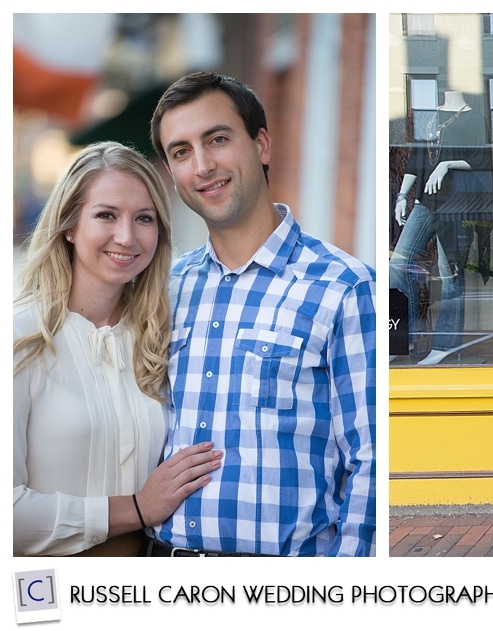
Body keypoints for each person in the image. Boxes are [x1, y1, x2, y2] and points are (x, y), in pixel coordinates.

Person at [147, 72, 375, 556]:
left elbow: (371, 460)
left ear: (262, 145)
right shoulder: (166, 289)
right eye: (181, 152)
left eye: (218, 139)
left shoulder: (343, 286)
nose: (203, 165)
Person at [13, 141, 222, 556]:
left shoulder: (160, 335)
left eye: (143, 218)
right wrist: (138, 509)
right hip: (46, 595)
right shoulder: (21, 337)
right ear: (69, 224)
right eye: (106, 215)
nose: (126, 236)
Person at [391, 89, 493, 365]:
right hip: (425, 203)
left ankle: (446, 346)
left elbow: (482, 160)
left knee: (450, 275)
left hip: (455, 206)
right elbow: (417, 158)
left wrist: (447, 165)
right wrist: (403, 195)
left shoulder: (475, 119)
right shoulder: (430, 116)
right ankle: (404, 337)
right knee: (398, 264)